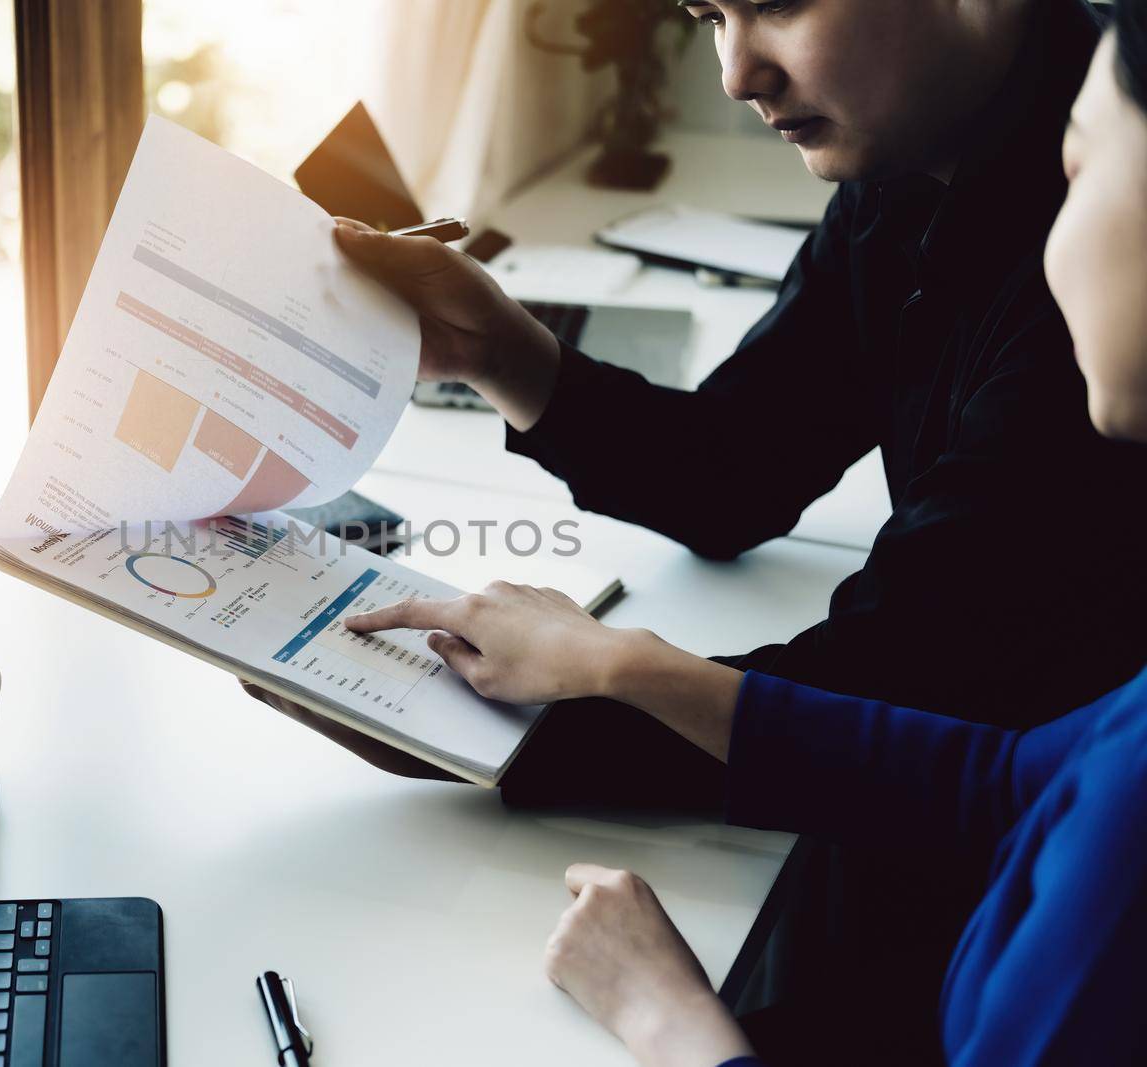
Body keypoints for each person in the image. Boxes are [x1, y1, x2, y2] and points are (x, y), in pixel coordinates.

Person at [248, 0, 1147, 1060]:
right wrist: (502, 349)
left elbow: (904, 692)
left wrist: (518, 728)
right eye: (707, 13)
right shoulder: (909, 160)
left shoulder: (1087, 319)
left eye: (771, 3)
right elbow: (741, 469)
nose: (731, 74)